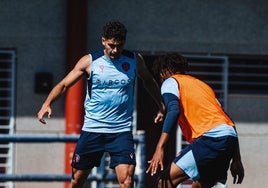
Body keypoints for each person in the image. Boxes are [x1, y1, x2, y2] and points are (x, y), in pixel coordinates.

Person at [37, 21, 165, 188]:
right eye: (111, 45)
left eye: (119, 46)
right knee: (77, 180)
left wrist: (161, 105)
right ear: (103, 40)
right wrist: (47, 103)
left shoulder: (134, 60)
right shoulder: (90, 61)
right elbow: (64, 84)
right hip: (93, 129)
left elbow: (148, 80)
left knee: (127, 180)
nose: (115, 50)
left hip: (120, 131)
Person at [146, 53, 244, 188]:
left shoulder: (171, 81)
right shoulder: (203, 86)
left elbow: (174, 110)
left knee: (164, 182)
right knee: (198, 185)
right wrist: (237, 159)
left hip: (211, 139)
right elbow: (228, 122)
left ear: (163, 72)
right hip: (228, 140)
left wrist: (160, 148)